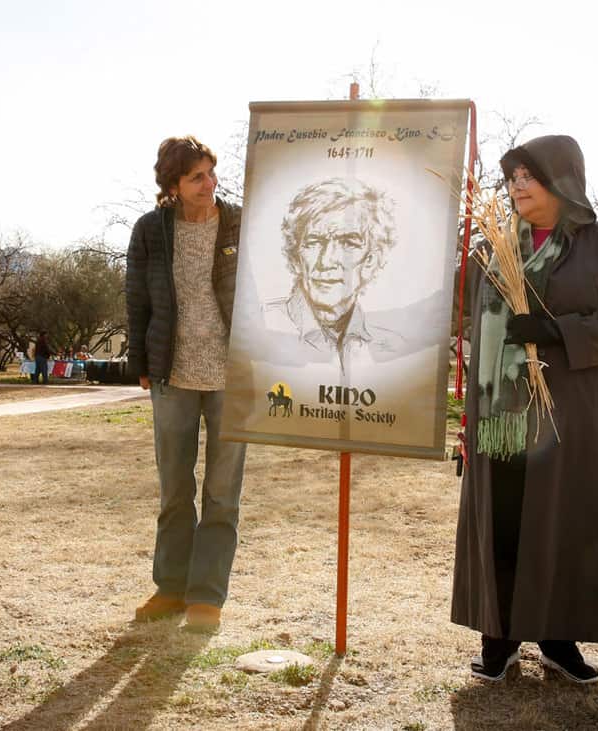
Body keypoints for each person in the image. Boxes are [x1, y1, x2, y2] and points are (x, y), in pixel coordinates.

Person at [451, 135, 598, 684]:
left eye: (529, 175)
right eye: (513, 177)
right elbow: (472, 327)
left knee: (562, 526)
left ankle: (558, 637)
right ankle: (497, 637)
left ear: (562, 179)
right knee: (504, 522)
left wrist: (559, 332)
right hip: (503, 418)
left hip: (574, 417)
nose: (517, 186)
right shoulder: (493, 247)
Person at [125, 135, 246, 630]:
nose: (209, 184)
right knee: (175, 487)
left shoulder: (239, 221)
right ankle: (170, 588)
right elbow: (137, 298)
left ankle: (207, 595)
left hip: (231, 376)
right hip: (171, 374)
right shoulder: (151, 230)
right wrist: (140, 360)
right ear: (172, 184)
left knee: (222, 491)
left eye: (212, 173)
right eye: (196, 176)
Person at [263, 178, 402, 373]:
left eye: (348, 243)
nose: (326, 261)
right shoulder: (261, 328)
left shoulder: (393, 347)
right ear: (296, 257)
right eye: (314, 242)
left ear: (370, 260)